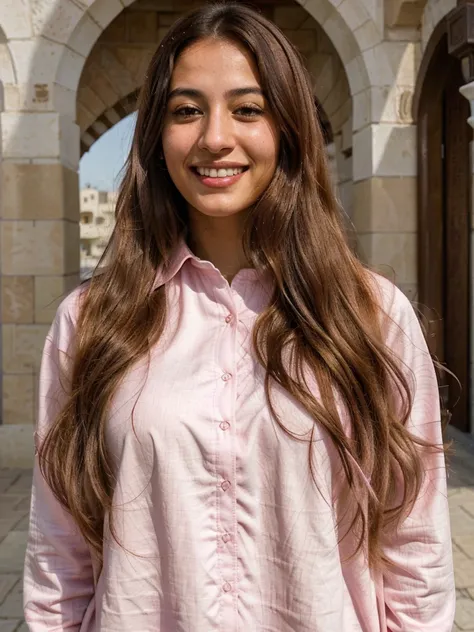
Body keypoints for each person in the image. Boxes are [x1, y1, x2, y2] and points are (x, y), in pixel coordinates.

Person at [23, 2, 455, 630]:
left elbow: (415, 550)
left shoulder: (372, 315)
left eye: (247, 109)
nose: (214, 137)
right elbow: (58, 559)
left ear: (287, 130)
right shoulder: (90, 322)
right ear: (156, 134)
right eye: (186, 110)